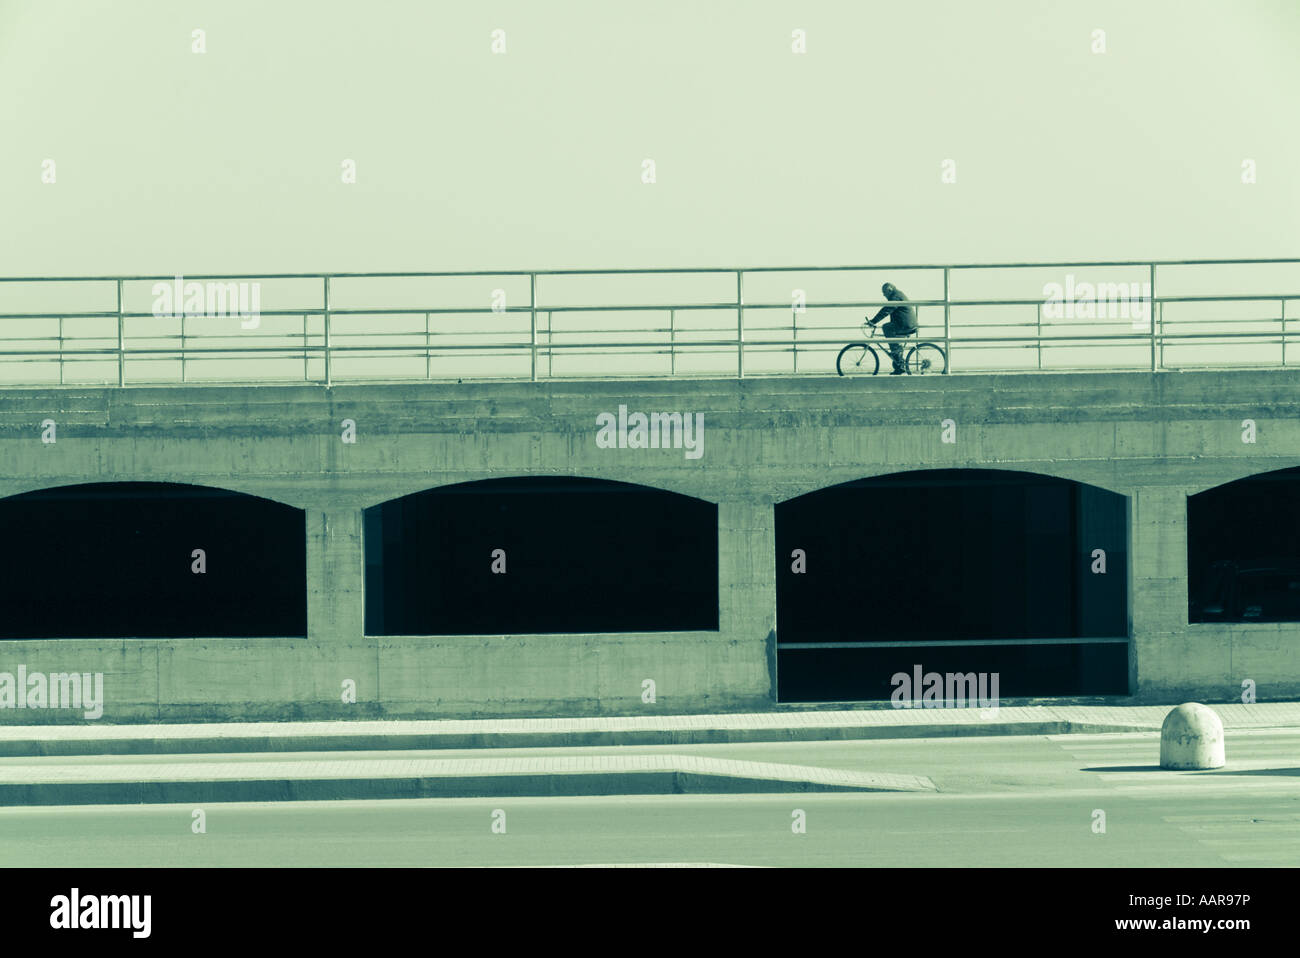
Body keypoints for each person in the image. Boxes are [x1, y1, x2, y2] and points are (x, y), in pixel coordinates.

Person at [867, 282, 918, 374]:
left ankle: (896, 353)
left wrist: (873, 321)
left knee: (886, 327)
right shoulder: (897, 294)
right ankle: (898, 363)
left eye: (884, 292)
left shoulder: (896, 296)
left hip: (906, 324)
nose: (884, 295)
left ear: (889, 290)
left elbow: (886, 310)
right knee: (890, 328)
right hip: (905, 323)